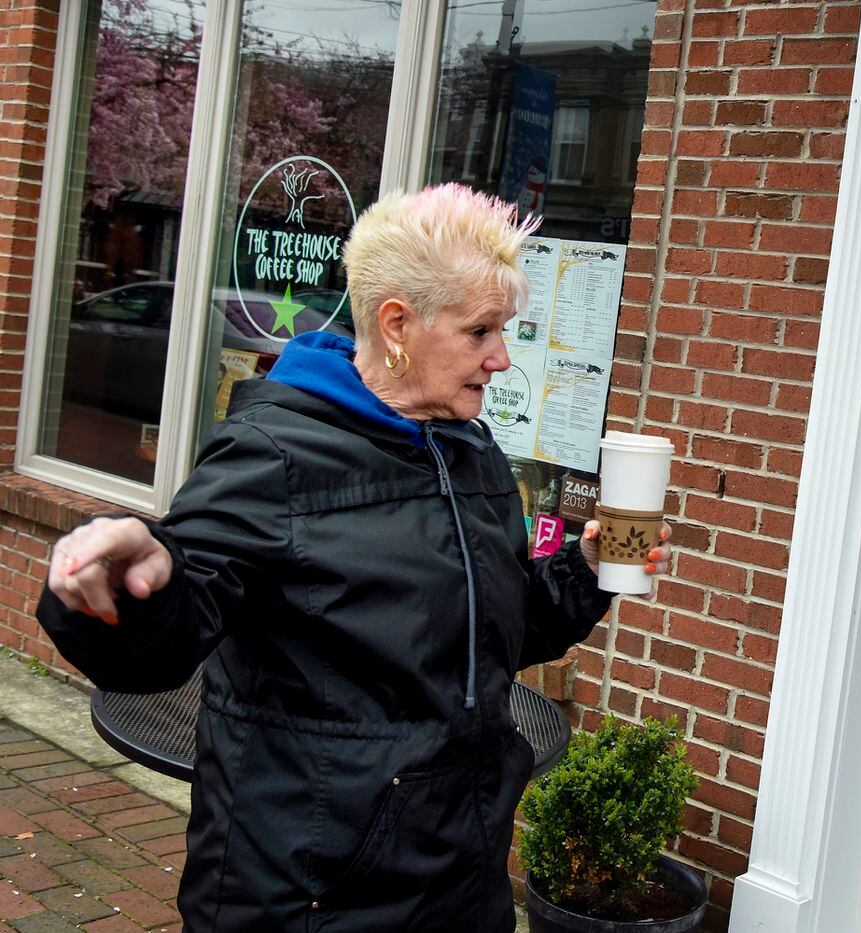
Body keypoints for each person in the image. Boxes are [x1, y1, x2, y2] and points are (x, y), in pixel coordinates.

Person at [37, 184, 672, 931]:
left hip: (461, 882)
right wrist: (132, 582)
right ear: (396, 322)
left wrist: (582, 572)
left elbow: (493, 636)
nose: (501, 357)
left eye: (505, 330)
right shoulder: (272, 453)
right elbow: (165, 637)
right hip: (314, 897)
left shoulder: (468, 449)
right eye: (480, 331)